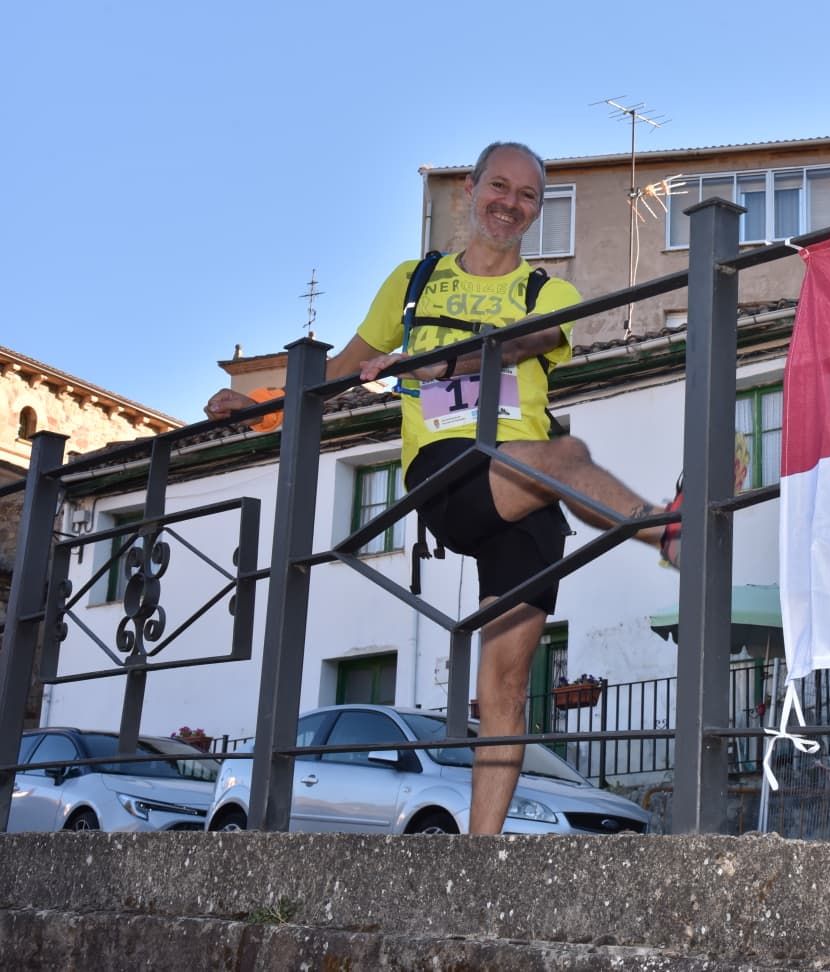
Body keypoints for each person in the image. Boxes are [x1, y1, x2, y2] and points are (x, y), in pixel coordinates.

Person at [205, 141, 681, 834]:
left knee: (507, 689)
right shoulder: (413, 280)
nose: (510, 203)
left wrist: (436, 363)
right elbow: (336, 376)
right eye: (499, 186)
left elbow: (522, 343)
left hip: (531, 489)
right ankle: (665, 530)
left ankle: (478, 856)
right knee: (567, 450)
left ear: (537, 210)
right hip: (451, 471)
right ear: (469, 190)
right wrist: (260, 407)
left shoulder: (552, 292)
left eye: (526, 196)